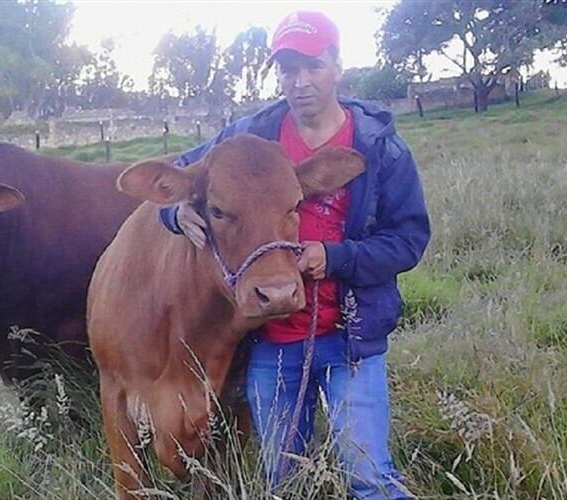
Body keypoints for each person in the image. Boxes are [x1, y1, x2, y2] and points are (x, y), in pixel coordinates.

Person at [158, 10, 430, 499]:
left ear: (337, 66)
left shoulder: (380, 148)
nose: (300, 82)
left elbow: (409, 239)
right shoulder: (253, 135)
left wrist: (336, 257)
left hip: (352, 340)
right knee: (285, 480)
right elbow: (179, 171)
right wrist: (174, 216)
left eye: (313, 66)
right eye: (288, 70)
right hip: (272, 341)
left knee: (368, 476)